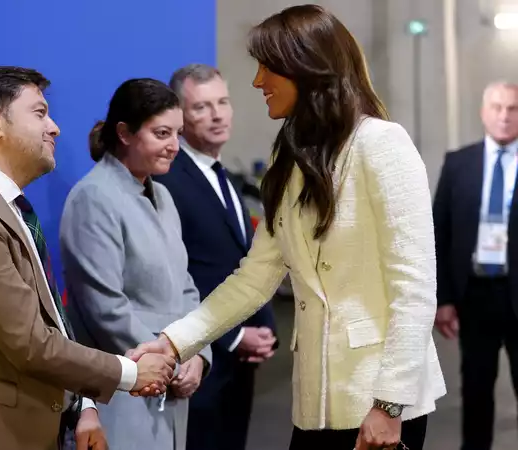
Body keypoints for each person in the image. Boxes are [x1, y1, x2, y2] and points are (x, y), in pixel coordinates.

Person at [126, 5, 447, 450]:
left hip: (381, 402)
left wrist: (389, 405)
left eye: (267, 67)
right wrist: (173, 342)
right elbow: (254, 279)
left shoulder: (382, 145)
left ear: (306, 69)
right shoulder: (289, 159)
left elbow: (414, 290)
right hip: (315, 401)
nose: (257, 81)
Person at [0, 66, 175, 450]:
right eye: (39, 112)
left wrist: (83, 404)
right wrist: (129, 372)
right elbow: (30, 342)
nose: (55, 127)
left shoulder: (7, 206)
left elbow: (52, 323)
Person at [58, 78, 213, 450]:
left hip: (168, 392)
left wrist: (199, 354)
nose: (174, 146)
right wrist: (173, 361)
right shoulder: (93, 198)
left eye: (177, 133)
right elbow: (106, 309)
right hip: (123, 396)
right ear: (125, 133)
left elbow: (186, 287)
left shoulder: (163, 196)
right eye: (162, 133)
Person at [153, 63, 278, 450]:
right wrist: (235, 336)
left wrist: (264, 327)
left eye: (223, 102)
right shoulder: (167, 179)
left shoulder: (224, 175)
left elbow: (239, 259)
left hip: (238, 367)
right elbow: (178, 273)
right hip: (201, 361)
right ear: (179, 115)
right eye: (202, 107)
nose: (217, 114)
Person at [433, 81, 518, 450]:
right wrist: (444, 298)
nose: (504, 115)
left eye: (513, 108)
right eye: (497, 107)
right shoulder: (458, 163)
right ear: (483, 113)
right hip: (475, 295)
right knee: (476, 393)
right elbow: (440, 233)